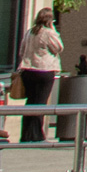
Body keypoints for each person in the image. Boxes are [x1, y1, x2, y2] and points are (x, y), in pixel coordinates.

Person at [16, 8, 64, 143]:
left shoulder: (29, 32)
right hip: (44, 70)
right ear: (50, 20)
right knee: (40, 102)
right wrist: (54, 30)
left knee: (30, 102)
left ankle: (26, 134)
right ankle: (37, 135)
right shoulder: (49, 33)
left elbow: (21, 51)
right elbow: (59, 47)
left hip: (27, 70)